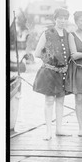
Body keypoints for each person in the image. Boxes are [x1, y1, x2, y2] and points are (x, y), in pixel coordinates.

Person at [33, 8, 72, 140]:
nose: (62, 20)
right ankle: (48, 131)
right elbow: (37, 53)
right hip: (49, 72)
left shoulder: (68, 34)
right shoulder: (47, 33)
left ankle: (59, 129)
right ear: (55, 19)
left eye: (65, 18)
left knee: (60, 101)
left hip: (62, 73)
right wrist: (51, 58)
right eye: (60, 18)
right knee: (49, 101)